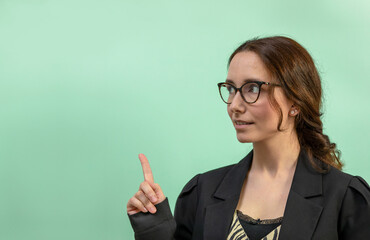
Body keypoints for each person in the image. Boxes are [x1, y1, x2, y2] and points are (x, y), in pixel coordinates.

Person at [126, 36, 370, 240]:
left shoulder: (347, 198)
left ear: (295, 101)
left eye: (252, 88)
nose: (234, 104)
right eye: (231, 89)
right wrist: (155, 226)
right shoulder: (202, 192)